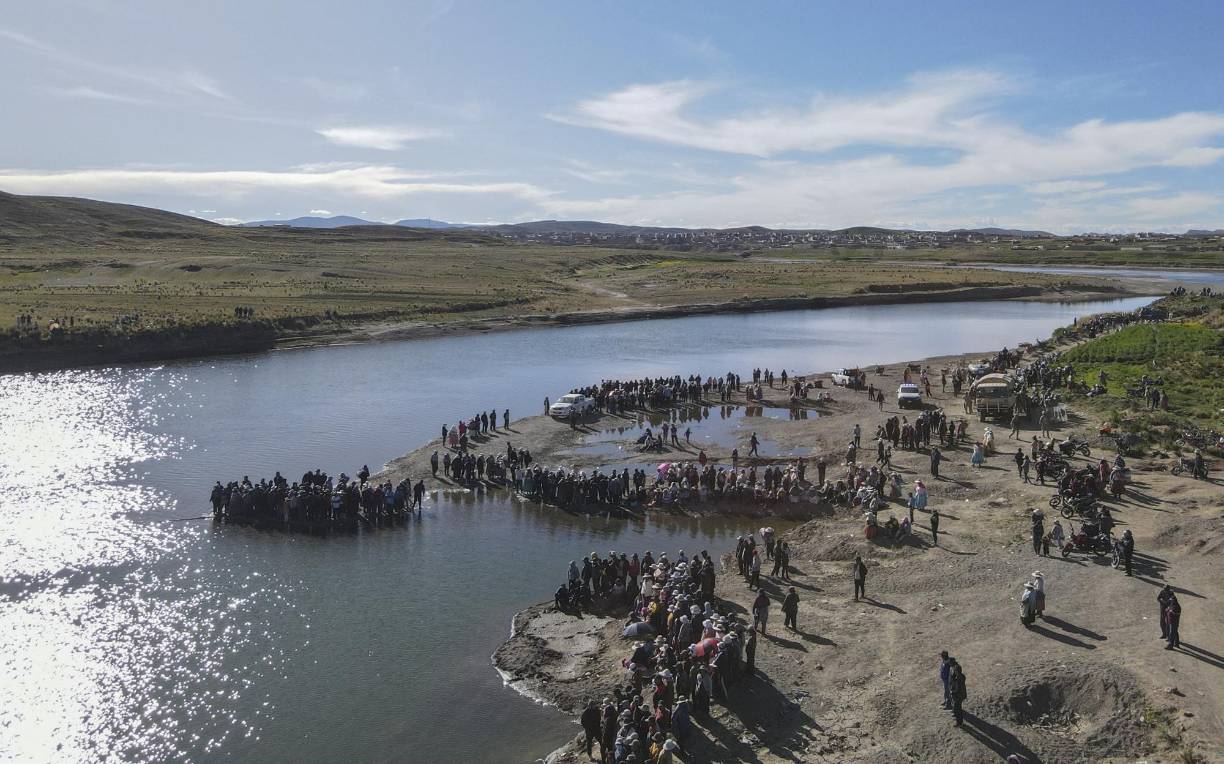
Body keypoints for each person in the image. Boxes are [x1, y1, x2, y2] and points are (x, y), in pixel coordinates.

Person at [948, 660, 967, 727]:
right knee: (958, 709)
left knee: (957, 710)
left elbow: (956, 689)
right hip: (961, 696)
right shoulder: (962, 677)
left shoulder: (958, 679)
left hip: (958, 697)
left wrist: (952, 692)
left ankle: (959, 722)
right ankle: (960, 721)